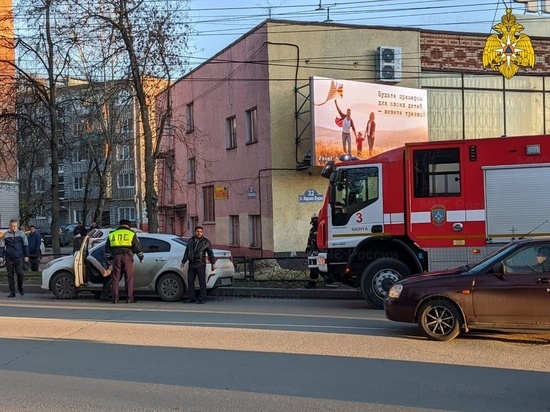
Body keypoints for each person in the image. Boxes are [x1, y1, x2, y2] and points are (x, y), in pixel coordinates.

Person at [104, 219, 143, 304]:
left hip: (116, 257)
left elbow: (107, 249)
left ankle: (115, 298)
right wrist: (141, 257)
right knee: (129, 278)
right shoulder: (131, 233)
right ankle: (129, 298)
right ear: (128, 225)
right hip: (127, 257)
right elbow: (137, 247)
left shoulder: (112, 234)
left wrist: (109, 259)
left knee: (115, 278)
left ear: (120, 225)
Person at [180, 226, 216, 304]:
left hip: (200, 264)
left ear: (202, 233)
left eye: (200, 232)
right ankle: (191, 297)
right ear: (195, 232)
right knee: (190, 281)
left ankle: (202, 298)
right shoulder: (190, 241)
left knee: (202, 282)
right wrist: (183, 261)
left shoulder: (206, 242)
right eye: (197, 231)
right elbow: (187, 252)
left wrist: (213, 263)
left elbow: (210, 253)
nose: (199, 233)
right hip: (191, 264)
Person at [0, 220, 30, 298]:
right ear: (9, 226)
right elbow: (2, 246)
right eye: (12, 226)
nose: (14, 227)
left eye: (15, 226)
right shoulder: (5, 235)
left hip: (19, 257)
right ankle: (12, 292)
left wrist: (26, 255)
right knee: (10, 275)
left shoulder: (21, 234)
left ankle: (20, 288)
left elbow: (25, 245)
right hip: (9, 258)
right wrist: (1, 256)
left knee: (20, 274)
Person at [304, 214, 320, 289]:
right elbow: (309, 239)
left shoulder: (321, 228)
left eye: (316, 219)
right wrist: (308, 247)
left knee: (317, 267)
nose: (315, 221)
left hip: (320, 250)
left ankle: (328, 280)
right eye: (313, 219)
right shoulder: (312, 230)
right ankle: (312, 282)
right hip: (314, 251)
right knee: (313, 267)